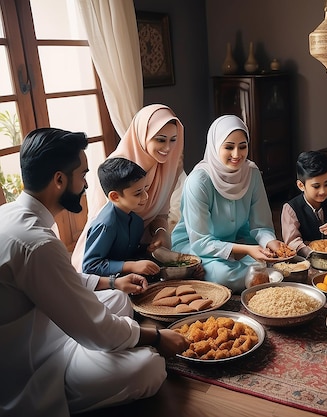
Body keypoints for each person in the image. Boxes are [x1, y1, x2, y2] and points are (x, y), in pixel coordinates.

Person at [0, 128, 188, 417]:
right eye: (83, 175)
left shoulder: (11, 215)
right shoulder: (36, 243)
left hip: (52, 331)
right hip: (36, 367)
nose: (87, 184)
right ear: (59, 180)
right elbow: (95, 330)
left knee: (117, 298)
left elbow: (62, 281)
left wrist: (112, 280)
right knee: (149, 366)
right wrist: (158, 337)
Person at [171, 115, 288, 293]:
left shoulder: (252, 173)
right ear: (215, 146)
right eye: (228, 147)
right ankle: (266, 279)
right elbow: (201, 241)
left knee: (266, 261)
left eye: (243, 146)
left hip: (236, 239)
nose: (237, 154)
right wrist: (248, 250)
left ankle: (262, 277)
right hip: (195, 246)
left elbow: (261, 224)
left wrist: (271, 242)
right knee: (223, 275)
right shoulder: (199, 181)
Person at [72, 104, 185, 271]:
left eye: (173, 140)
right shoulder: (116, 171)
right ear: (142, 135)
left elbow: (161, 212)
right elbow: (103, 223)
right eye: (160, 139)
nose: (168, 148)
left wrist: (161, 231)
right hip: (106, 253)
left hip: (140, 246)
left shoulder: (168, 167)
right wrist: (130, 265)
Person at [82, 157, 161, 277]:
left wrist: (148, 249)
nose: (146, 197)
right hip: (109, 287)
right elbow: (89, 266)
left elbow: (127, 251)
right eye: (138, 193)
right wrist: (131, 266)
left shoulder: (136, 221)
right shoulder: (106, 225)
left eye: (145, 189)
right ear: (115, 196)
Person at [281, 151, 327, 257]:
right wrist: (312, 253)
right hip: (305, 260)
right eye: (316, 186)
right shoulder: (291, 209)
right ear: (301, 185)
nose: (323, 191)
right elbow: (292, 242)